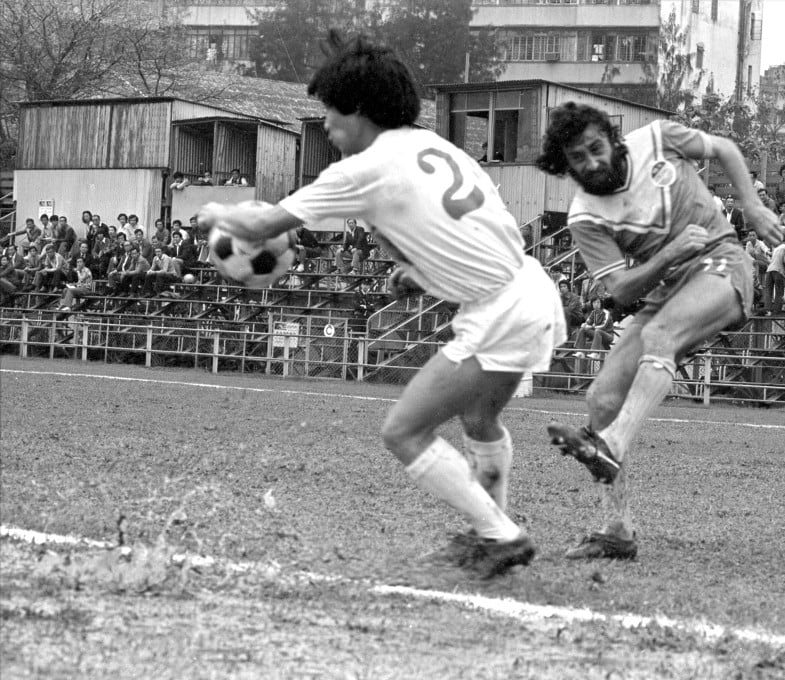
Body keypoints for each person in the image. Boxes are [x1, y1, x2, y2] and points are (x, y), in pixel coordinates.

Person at [198, 34, 563, 578]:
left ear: (360, 111)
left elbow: (261, 224)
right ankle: (495, 527)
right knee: (479, 418)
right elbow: (475, 227)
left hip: (500, 310)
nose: (323, 124)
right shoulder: (433, 146)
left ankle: (500, 534)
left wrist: (212, 213)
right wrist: (421, 271)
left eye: (328, 111)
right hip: (529, 288)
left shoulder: (364, 168)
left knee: (404, 432)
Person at [534, 101, 782, 559]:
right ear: (563, 164)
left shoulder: (657, 139)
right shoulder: (585, 216)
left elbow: (724, 148)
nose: (592, 162)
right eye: (578, 158)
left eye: (596, 148)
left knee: (659, 337)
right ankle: (617, 529)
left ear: (611, 137)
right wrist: (667, 257)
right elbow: (622, 290)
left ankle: (611, 443)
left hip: (723, 262)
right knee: (601, 399)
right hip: (665, 287)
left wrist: (751, 204)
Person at [763, 230, 785, 315]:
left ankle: (768, 310)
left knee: (768, 291)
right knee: (779, 291)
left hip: (769, 270)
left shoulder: (777, 248)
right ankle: (777, 311)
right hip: (779, 271)